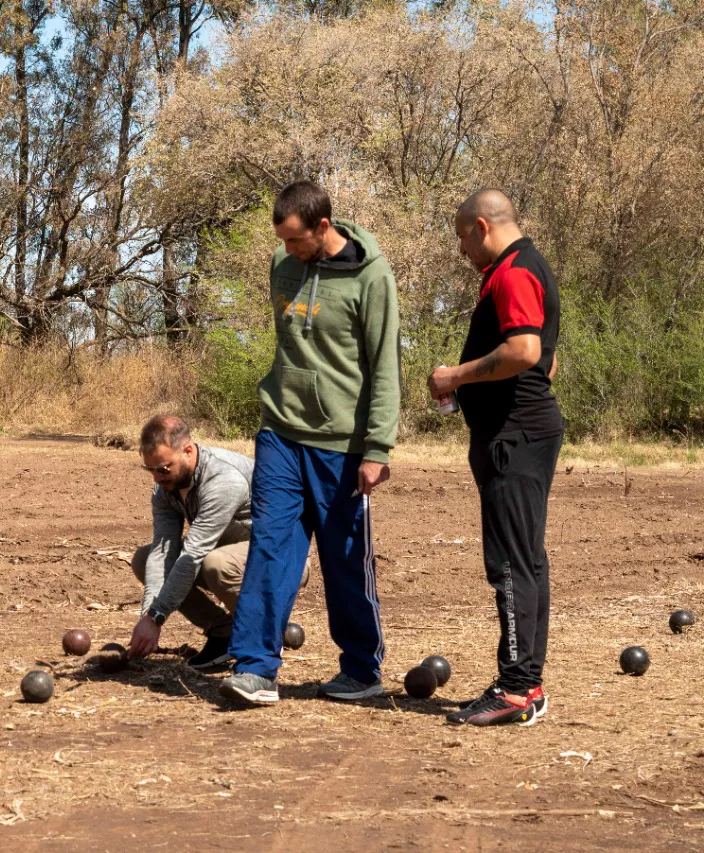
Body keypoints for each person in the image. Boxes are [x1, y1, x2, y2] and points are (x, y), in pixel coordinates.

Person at [221, 180, 400, 705]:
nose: (288, 251)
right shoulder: (282, 264)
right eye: (283, 240)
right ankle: (255, 667)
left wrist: (377, 447)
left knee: (345, 559)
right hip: (280, 431)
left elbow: (385, 367)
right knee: (270, 544)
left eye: (297, 240)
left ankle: (362, 670)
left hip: (341, 443)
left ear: (323, 227)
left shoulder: (372, 278)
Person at [428, 189, 563, 727]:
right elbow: (544, 364)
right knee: (525, 558)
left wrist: (456, 376)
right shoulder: (527, 267)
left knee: (509, 561)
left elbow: (526, 352)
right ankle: (525, 682)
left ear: (480, 226)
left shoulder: (512, 270)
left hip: (514, 437)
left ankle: (515, 689)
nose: (461, 249)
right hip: (520, 430)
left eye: (461, 237)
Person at [129, 415, 314, 671]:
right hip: (230, 555)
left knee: (215, 564)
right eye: (150, 469)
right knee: (144, 558)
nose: (156, 478)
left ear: (188, 451)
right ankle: (224, 631)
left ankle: (262, 633)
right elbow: (163, 551)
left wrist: (157, 618)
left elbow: (193, 554)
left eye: (163, 468)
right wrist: (148, 616)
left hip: (284, 559)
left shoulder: (223, 480)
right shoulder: (165, 488)